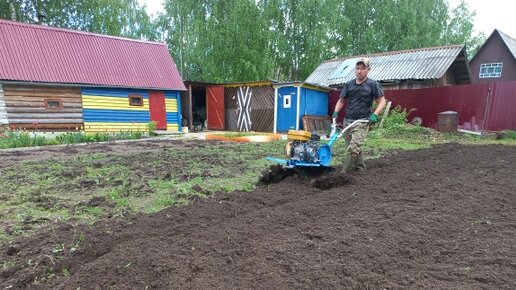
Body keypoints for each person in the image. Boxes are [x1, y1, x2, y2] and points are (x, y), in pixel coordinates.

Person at [332, 57, 387, 173]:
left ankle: (343, 173)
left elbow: (382, 101)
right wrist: (336, 111)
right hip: (348, 121)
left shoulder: (373, 84)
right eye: (357, 68)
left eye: (362, 68)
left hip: (362, 121)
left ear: (368, 70)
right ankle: (360, 168)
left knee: (353, 148)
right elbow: (341, 100)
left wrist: (375, 115)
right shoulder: (349, 85)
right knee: (354, 147)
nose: (359, 71)